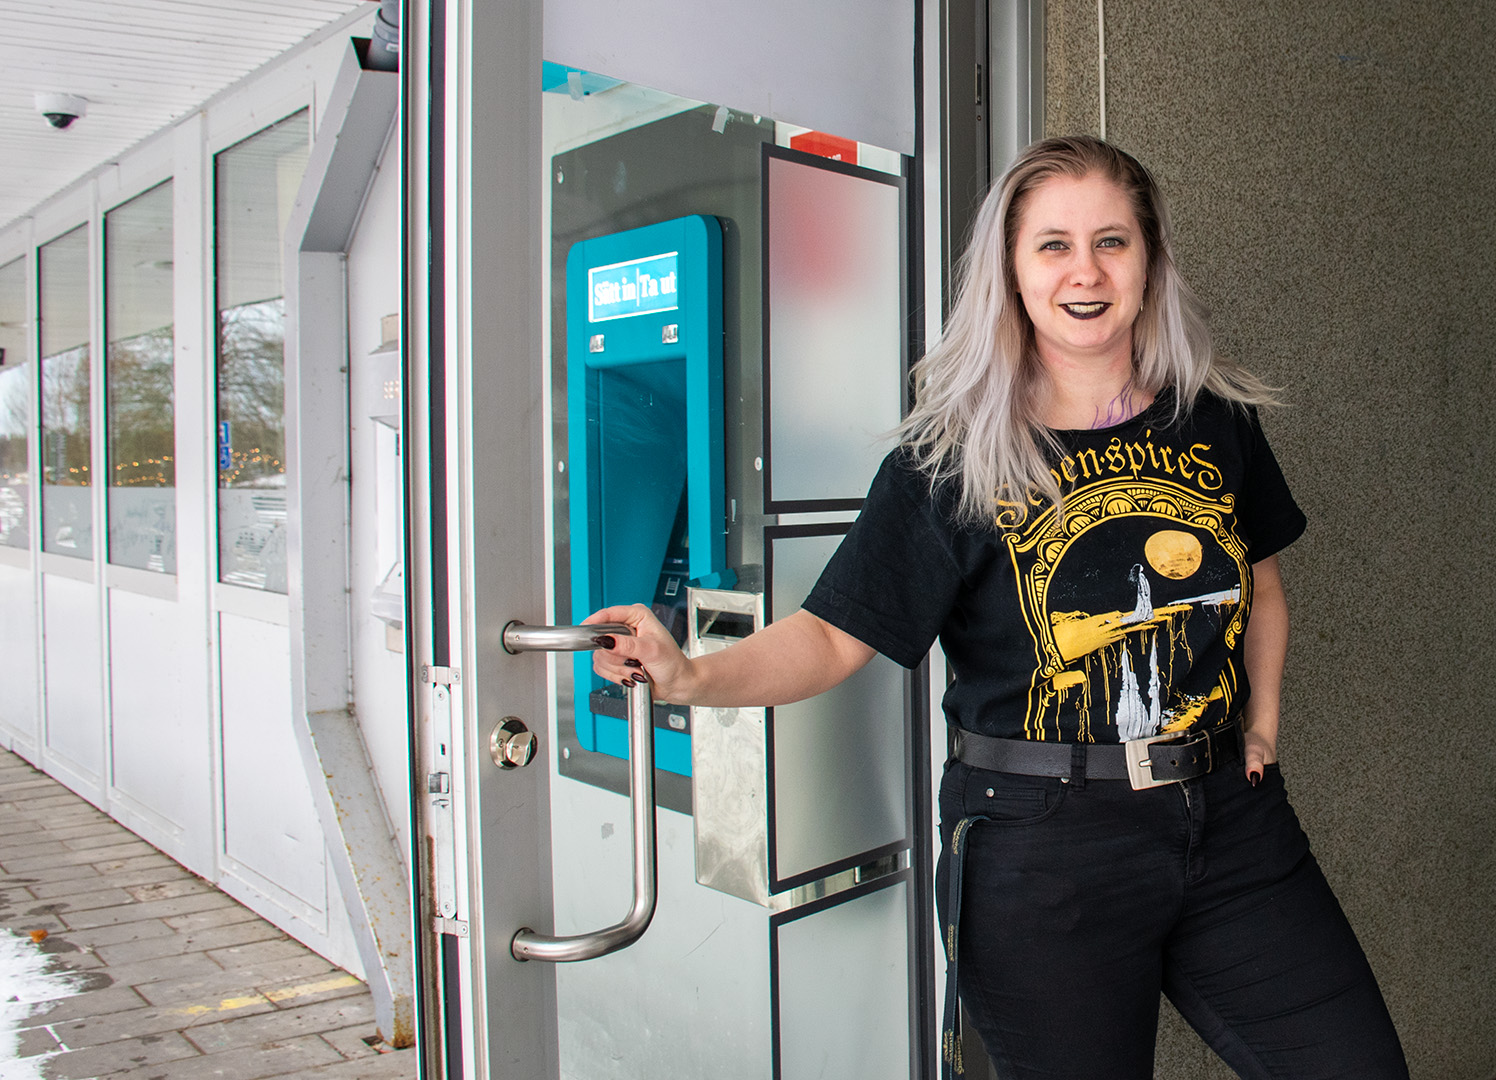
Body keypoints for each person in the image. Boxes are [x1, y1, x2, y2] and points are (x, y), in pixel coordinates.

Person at [587, 135, 1409, 1080]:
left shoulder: (1211, 417)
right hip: (1042, 847)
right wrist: (692, 675)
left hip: (1230, 824)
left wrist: (1261, 718)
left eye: (1112, 242)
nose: (1085, 271)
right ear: (1011, 272)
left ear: (1149, 261)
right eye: (1052, 245)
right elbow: (831, 637)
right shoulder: (952, 457)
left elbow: (1258, 579)